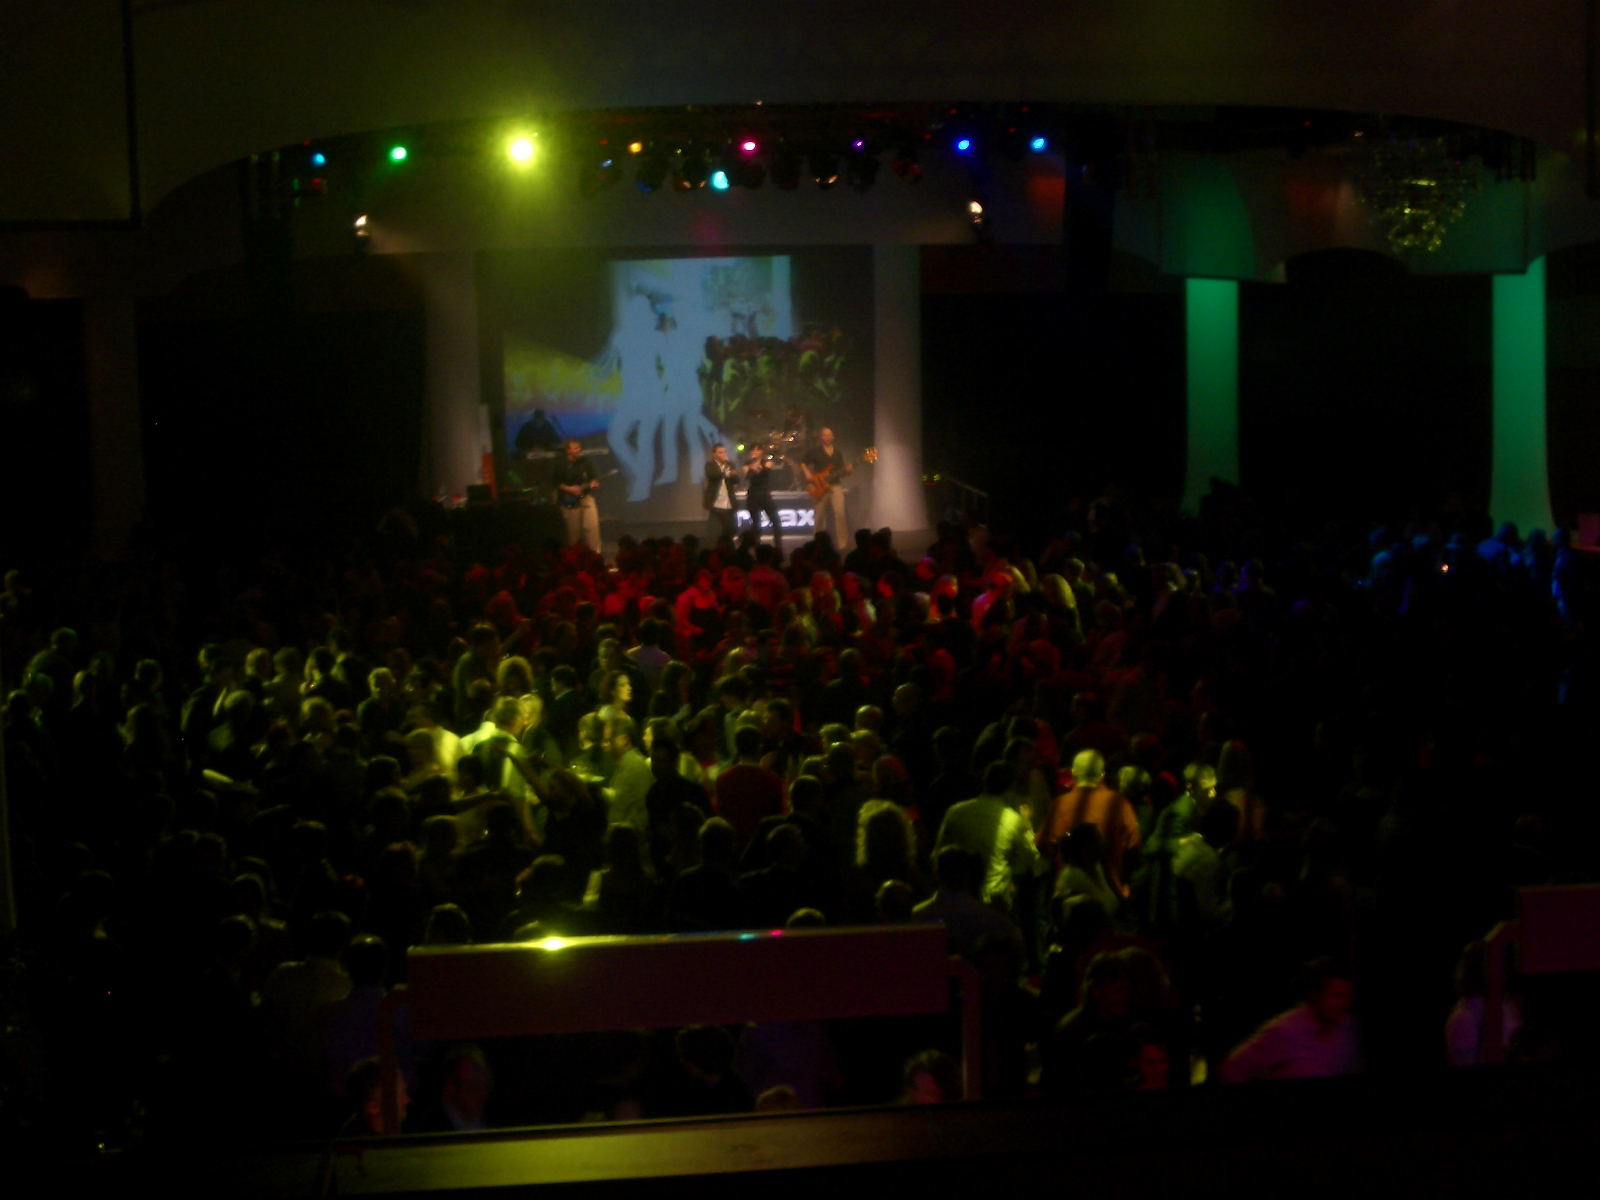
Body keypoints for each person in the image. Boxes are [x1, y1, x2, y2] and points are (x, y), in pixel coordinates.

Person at [1219, 959, 1364, 1082]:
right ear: (1314, 995)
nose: (1344, 1004)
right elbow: (1231, 1070)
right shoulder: (1284, 1031)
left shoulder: (1350, 1027)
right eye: (1335, 996)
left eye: (1347, 996)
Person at [1037, 749, 1142, 898]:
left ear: (1073, 773)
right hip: (1109, 892)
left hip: (1069, 893)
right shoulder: (1119, 803)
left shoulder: (1060, 804)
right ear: (1102, 775)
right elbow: (1134, 847)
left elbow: (1042, 846)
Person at [935, 761, 1040, 906]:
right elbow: (1033, 856)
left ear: (984, 782)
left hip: (952, 897)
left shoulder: (955, 811)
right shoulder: (1014, 820)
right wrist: (1027, 820)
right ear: (1011, 788)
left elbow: (937, 854)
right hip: (993, 902)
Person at [801, 426, 850, 541]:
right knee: (819, 517)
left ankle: (843, 543)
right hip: (819, 486)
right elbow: (802, 462)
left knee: (840, 514)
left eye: (830, 435)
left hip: (835, 485)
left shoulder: (837, 453)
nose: (828, 437)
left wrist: (848, 471)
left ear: (833, 437)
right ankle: (817, 542)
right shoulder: (815, 451)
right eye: (825, 435)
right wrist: (807, 473)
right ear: (821, 437)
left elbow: (841, 473)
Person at [554, 438, 601, 553]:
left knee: (592, 528)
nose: (578, 450)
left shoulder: (585, 462)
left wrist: (594, 483)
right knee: (573, 533)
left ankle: (595, 555)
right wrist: (569, 489)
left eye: (579, 447)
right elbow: (555, 483)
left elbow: (594, 479)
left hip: (586, 498)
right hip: (569, 502)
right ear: (568, 450)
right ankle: (573, 557)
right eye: (575, 448)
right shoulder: (561, 464)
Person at [743, 444, 783, 551]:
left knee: (776, 520)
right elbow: (748, 477)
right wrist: (754, 469)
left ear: (761, 452)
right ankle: (756, 546)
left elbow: (764, 475)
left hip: (764, 495)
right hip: (753, 495)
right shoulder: (747, 463)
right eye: (753, 450)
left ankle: (778, 546)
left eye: (757, 450)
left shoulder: (766, 462)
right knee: (756, 523)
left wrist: (755, 470)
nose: (755, 452)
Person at [704, 442, 740, 543]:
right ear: (714, 454)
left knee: (732, 527)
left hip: (729, 500)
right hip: (716, 501)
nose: (724, 454)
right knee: (724, 525)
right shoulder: (710, 465)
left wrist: (734, 474)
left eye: (725, 452)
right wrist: (727, 470)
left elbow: (736, 480)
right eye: (720, 452)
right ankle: (723, 544)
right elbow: (715, 476)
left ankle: (726, 543)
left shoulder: (730, 464)